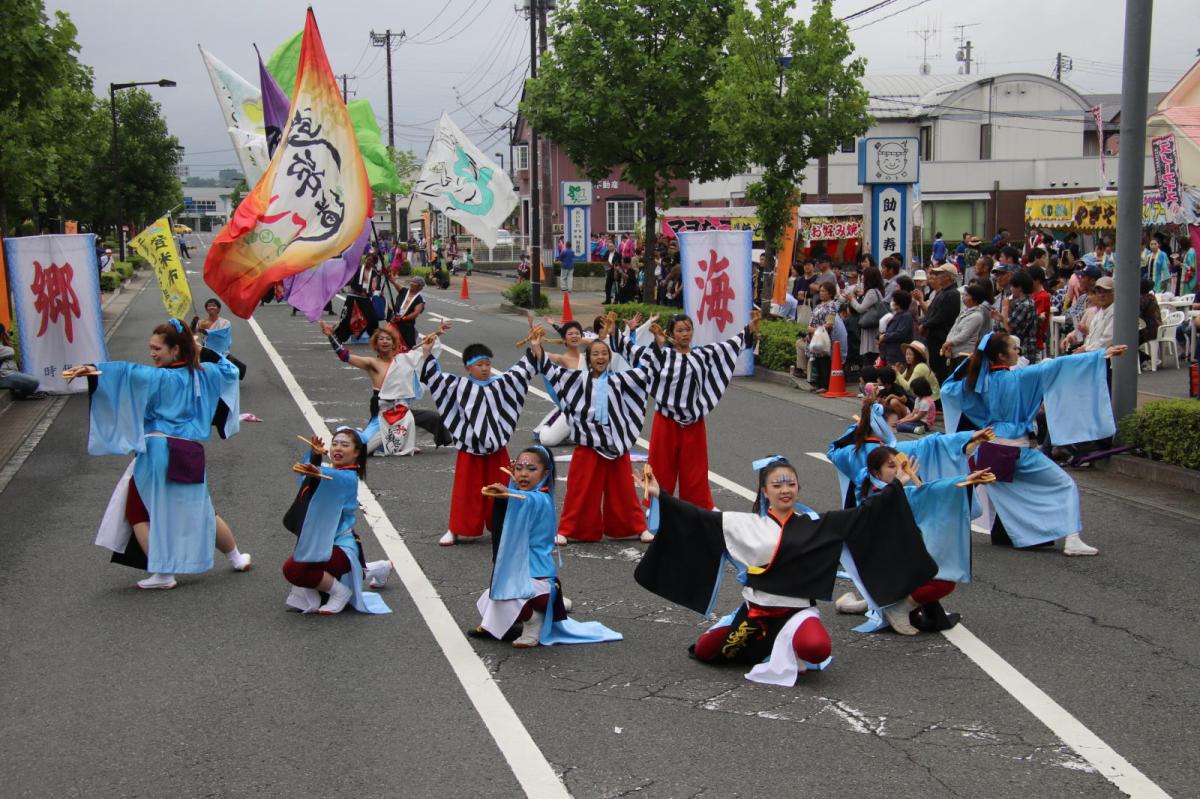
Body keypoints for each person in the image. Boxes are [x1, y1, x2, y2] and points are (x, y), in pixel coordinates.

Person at [635, 456, 939, 683]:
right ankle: (758, 642)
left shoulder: (818, 525)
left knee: (817, 648)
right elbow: (699, 519)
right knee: (704, 651)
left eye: (790, 484)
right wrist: (662, 495)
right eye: (777, 485)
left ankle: (790, 645)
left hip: (796, 614)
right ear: (765, 491)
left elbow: (867, 514)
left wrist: (896, 484)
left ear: (798, 488)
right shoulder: (747, 524)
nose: (785, 490)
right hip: (756, 615)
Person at [84, 319, 251, 589]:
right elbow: (231, 370)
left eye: (157, 348)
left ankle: (163, 573)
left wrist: (94, 370)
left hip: (159, 450)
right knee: (202, 510)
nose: (152, 353)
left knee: (139, 510)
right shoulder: (204, 373)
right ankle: (236, 558)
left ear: (175, 350)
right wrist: (200, 350)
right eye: (150, 348)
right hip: (191, 450)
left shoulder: (159, 377)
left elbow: (126, 373)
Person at [941, 333, 1127, 556]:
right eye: (1013, 348)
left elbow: (947, 388)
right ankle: (1072, 538)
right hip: (1015, 449)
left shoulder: (978, 383)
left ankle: (950, 524)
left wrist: (971, 359)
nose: (1017, 352)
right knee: (1063, 484)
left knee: (1008, 491)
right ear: (1001, 355)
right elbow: (1058, 366)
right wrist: (1099, 356)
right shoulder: (1019, 378)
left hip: (989, 448)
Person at [472, 445, 622, 648]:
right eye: (519, 468)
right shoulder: (519, 495)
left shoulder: (540, 499)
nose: (523, 474)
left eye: (532, 469)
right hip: (524, 578)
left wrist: (507, 492)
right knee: (490, 596)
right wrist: (506, 493)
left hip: (540, 580)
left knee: (506, 595)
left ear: (546, 473)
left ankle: (534, 622)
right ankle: (542, 611)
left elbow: (527, 500)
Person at [834, 446, 991, 633]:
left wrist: (968, 480)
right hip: (883, 564)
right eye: (891, 466)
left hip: (896, 559)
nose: (898, 470)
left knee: (936, 568)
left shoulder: (893, 489)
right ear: (876, 472)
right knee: (942, 579)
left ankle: (858, 605)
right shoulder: (876, 494)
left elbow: (932, 492)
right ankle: (898, 610)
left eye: (900, 465)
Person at [609, 312, 755, 512]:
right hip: (666, 420)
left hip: (693, 422)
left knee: (695, 470)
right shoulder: (662, 354)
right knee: (660, 467)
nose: (685, 334)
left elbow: (728, 347)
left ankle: (698, 509)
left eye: (688, 329)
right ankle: (657, 508)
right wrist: (614, 330)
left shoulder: (702, 355)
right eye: (679, 330)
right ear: (671, 334)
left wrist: (749, 330)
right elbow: (633, 351)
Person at [529, 328, 651, 544]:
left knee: (624, 492)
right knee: (579, 491)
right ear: (588, 358)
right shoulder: (577, 379)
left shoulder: (621, 379)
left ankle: (638, 527)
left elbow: (648, 371)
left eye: (604, 353)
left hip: (615, 446)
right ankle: (567, 529)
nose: (600, 357)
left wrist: (651, 342)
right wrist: (537, 346)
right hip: (587, 445)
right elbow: (550, 371)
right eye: (595, 354)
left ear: (610, 357)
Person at [422, 339, 539, 546]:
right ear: (468, 367)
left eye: (487, 364)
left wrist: (534, 347)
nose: (485, 369)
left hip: (496, 447)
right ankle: (456, 528)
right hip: (469, 447)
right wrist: (427, 353)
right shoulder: (459, 385)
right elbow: (435, 379)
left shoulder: (500, 383)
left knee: (503, 487)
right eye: (479, 364)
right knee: (465, 491)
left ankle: (507, 526)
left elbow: (520, 373)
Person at [281, 430, 391, 615]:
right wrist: (315, 456)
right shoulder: (331, 473)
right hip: (322, 541)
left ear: (356, 452)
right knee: (313, 568)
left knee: (294, 569)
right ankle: (380, 567)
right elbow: (308, 479)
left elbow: (328, 478)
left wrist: (316, 469)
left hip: (339, 544)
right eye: (335, 443)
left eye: (345, 445)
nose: (338, 448)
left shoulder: (347, 478)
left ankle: (340, 593)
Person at [532, 319, 586, 447]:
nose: (574, 336)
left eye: (577, 333)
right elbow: (542, 356)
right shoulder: (562, 359)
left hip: (589, 408)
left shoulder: (590, 357)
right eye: (570, 334)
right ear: (564, 339)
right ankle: (570, 429)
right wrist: (536, 344)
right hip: (572, 408)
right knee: (546, 439)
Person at [919, 263, 960, 380]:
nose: (936, 276)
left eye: (939, 274)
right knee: (936, 368)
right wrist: (924, 323)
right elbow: (931, 311)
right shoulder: (941, 292)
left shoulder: (952, 294)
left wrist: (925, 325)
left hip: (942, 337)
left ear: (948, 276)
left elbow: (942, 316)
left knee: (941, 370)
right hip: (934, 336)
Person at [192, 298, 247, 380]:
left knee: (234, 370)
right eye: (209, 306)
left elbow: (220, 332)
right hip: (207, 351)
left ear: (218, 309)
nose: (211, 307)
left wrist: (204, 330)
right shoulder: (201, 322)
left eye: (214, 305)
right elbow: (192, 333)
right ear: (206, 309)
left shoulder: (225, 322)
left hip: (222, 351)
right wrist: (193, 323)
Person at [941, 282, 992, 365]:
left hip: (964, 354)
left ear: (974, 299)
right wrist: (948, 343)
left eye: (967, 295)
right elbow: (954, 329)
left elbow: (964, 335)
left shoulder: (976, 316)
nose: (964, 297)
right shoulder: (964, 311)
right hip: (954, 353)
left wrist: (948, 343)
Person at [849, 265, 885, 367]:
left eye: (864, 275)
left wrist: (851, 298)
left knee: (869, 359)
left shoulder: (871, 292)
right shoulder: (876, 290)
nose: (861, 278)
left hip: (871, 329)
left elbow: (860, 308)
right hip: (873, 327)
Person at [1000, 271, 1039, 363]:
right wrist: (1001, 318)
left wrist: (1005, 309)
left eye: (1013, 286)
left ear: (1020, 288)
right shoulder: (1027, 302)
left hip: (1023, 348)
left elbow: (1009, 328)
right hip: (1026, 346)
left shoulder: (1024, 305)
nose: (1011, 289)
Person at [0, 323, 44, 400]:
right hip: (3, 377)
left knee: (32, 377)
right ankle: (21, 395)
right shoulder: (5, 349)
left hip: (8, 374)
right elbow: (10, 351)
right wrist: (6, 340)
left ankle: (19, 393)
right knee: (34, 382)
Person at [386, 275, 427, 348]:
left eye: (414, 282)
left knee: (409, 346)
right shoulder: (404, 291)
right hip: (394, 322)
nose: (411, 283)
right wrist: (388, 275)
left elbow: (415, 313)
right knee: (386, 340)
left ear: (420, 287)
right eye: (412, 281)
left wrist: (403, 319)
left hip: (407, 325)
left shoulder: (420, 299)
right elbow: (393, 282)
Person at [879, 290, 915, 366]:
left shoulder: (906, 316)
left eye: (894, 300)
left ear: (899, 303)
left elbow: (900, 334)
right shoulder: (897, 315)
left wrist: (885, 337)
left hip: (899, 357)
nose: (892, 302)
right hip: (891, 355)